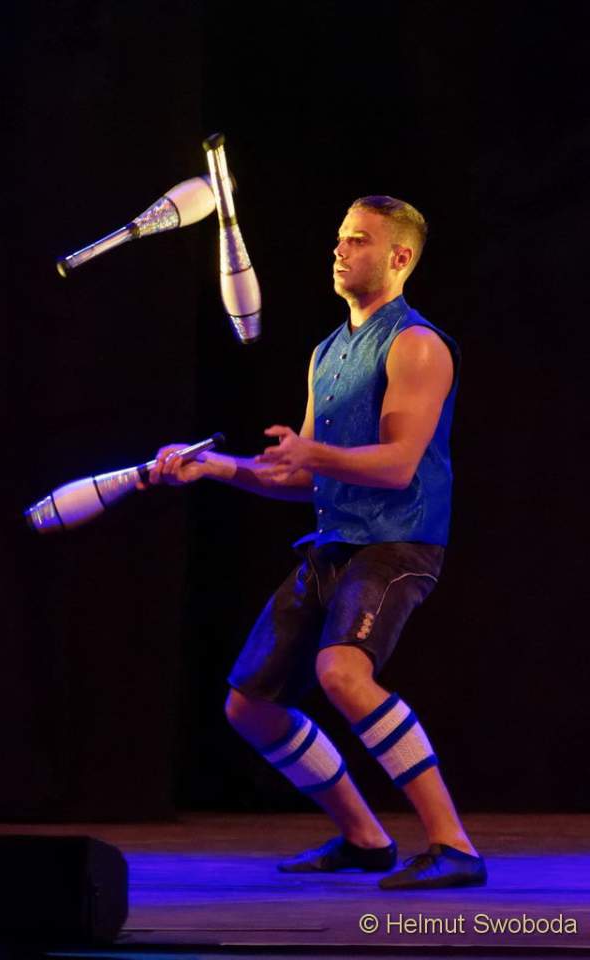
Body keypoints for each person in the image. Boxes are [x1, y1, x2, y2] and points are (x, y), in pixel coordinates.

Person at [149, 195, 486, 890]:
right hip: (334, 542)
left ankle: (454, 846)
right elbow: (300, 476)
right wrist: (214, 467)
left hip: (397, 543)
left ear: (399, 257)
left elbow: (397, 465)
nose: (339, 250)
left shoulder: (417, 345)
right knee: (249, 705)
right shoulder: (327, 352)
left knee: (342, 673)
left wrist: (313, 456)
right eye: (339, 237)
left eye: (357, 240)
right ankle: (364, 839)